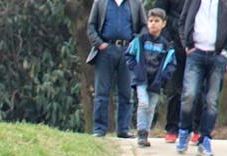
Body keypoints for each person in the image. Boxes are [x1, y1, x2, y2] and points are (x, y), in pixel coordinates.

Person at [175, 0, 227, 156]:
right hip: (196, 53)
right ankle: (184, 130)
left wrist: (226, 50)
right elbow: (183, 20)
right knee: (189, 95)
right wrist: (186, 44)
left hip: (217, 55)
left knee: (211, 101)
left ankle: (205, 137)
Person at [86, 0, 149, 138]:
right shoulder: (101, 2)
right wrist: (99, 44)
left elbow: (144, 27)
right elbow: (91, 27)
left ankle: (123, 129)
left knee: (126, 93)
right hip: (105, 50)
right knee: (102, 92)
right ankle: (99, 129)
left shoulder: (135, 3)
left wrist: (136, 41)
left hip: (127, 50)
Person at [126, 8, 178, 147]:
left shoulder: (166, 45)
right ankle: (141, 132)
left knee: (151, 107)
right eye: (150, 21)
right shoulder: (140, 40)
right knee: (143, 103)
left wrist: (164, 76)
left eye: (156, 21)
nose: (153, 24)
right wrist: (136, 70)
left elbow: (171, 64)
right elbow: (129, 55)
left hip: (156, 82)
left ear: (163, 23)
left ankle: (146, 133)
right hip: (141, 79)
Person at [157, 0, 203, 143]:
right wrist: (168, 40)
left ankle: (197, 129)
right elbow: (160, 12)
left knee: (198, 88)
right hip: (175, 44)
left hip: (198, 44)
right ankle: (172, 128)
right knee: (175, 89)